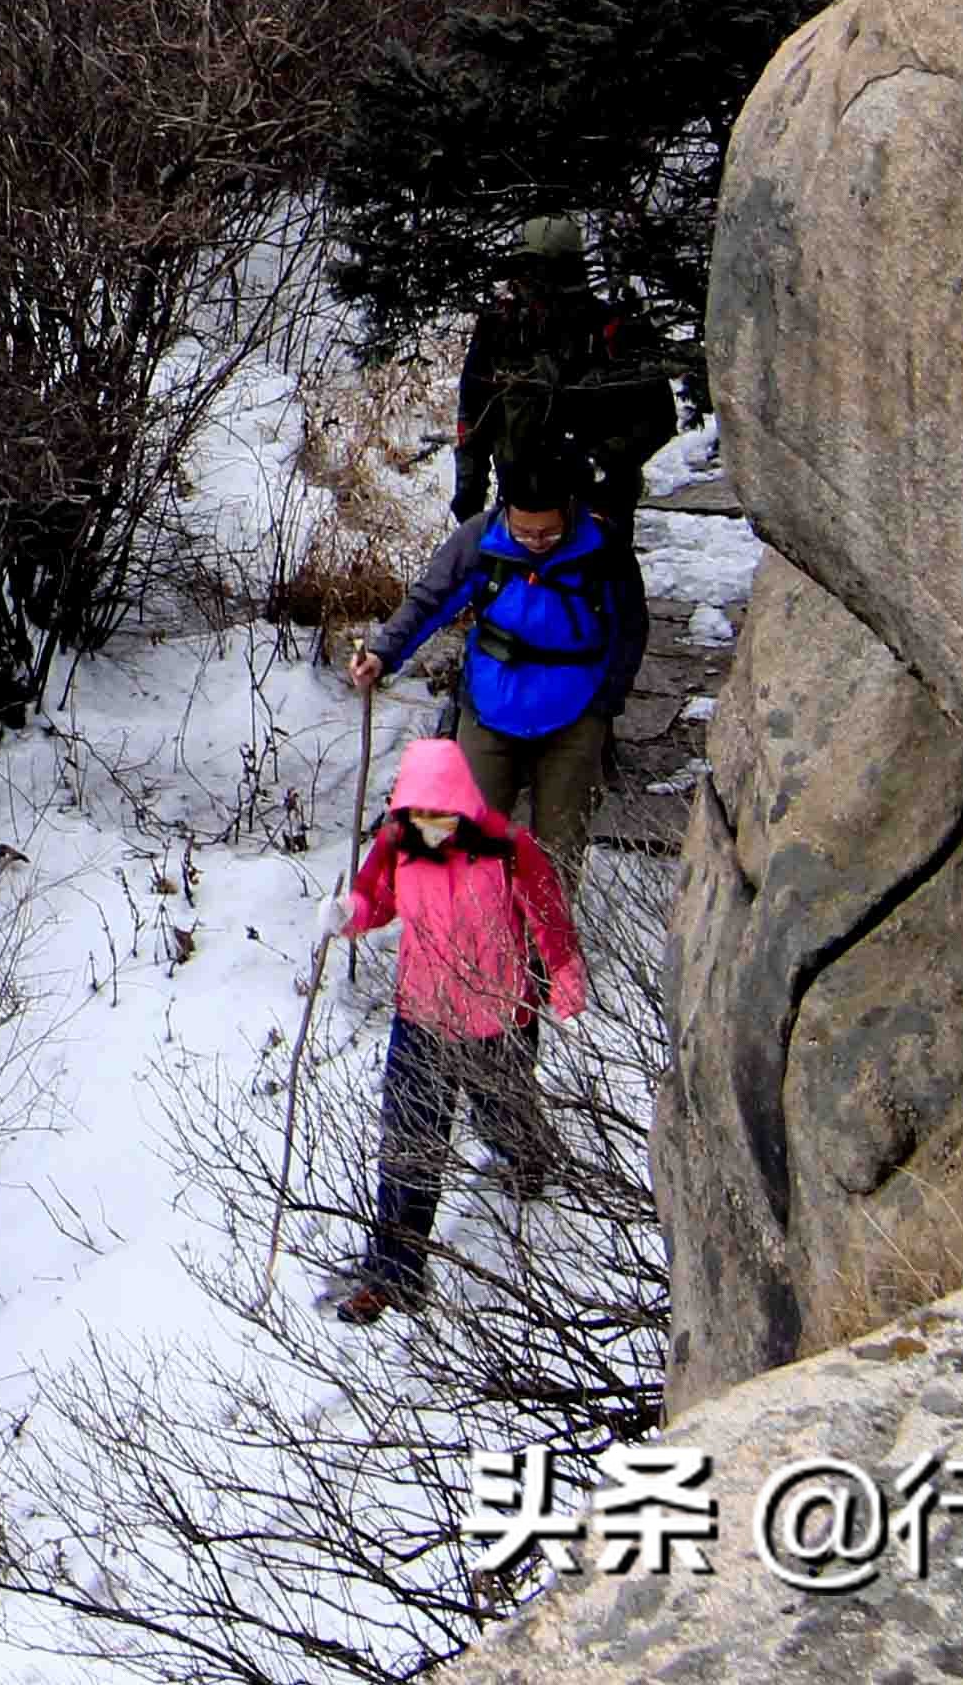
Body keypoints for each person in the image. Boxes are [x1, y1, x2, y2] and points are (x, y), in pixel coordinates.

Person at [319, 734, 586, 1323]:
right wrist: (347, 916)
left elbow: (548, 916)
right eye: (415, 814)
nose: (425, 825)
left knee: (502, 1114)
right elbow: (377, 900)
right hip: (422, 1016)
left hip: (497, 1016)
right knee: (409, 1142)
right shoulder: (398, 844)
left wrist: (564, 976)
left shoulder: (509, 850)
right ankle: (394, 1272)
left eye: (436, 815)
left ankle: (527, 1161)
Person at [346, 449, 648, 891]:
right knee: (470, 837)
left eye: (548, 532)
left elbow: (629, 629)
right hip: (490, 708)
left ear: (568, 510)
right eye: (524, 532)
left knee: (558, 852)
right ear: (505, 510)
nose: (536, 541)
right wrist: (383, 653)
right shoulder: (479, 542)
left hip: (575, 712)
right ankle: (475, 945)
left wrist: (606, 702)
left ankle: (542, 956)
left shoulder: (603, 550)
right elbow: (431, 601)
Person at [449, 214, 676, 538]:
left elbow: (659, 418)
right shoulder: (500, 330)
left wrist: (598, 459)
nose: (528, 283)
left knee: (603, 587)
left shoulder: (614, 330)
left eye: (538, 271)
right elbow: (473, 412)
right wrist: (469, 488)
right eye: (525, 272)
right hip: (521, 506)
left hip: (599, 507)